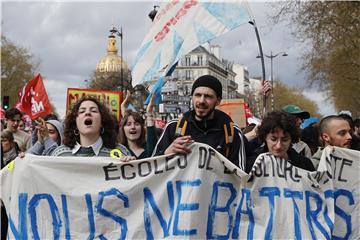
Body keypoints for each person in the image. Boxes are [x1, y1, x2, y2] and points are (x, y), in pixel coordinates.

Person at [152, 75, 247, 169]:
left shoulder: (232, 132)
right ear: (192, 97)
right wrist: (166, 153)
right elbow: (151, 168)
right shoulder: (173, 127)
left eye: (208, 96)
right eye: (197, 95)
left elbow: (240, 176)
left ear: (218, 101)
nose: (201, 101)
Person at [51, 96, 131, 158]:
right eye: (82, 111)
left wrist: (130, 166)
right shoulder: (60, 154)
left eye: (93, 111)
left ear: (102, 122)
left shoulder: (120, 152)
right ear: (75, 123)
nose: (87, 113)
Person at [245, 111, 315, 173]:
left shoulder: (305, 165)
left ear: (292, 139)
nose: (279, 146)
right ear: (265, 137)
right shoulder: (252, 164)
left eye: (284, 140)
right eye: (273, 139)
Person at [119, 93, 157, 159]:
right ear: (123, 129)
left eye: (137, 124)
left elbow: (152, 146)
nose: (133, 127)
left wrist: (149, 112)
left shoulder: (149, 151)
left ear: (142, 128)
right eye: (128, 124)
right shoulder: (119, 152)